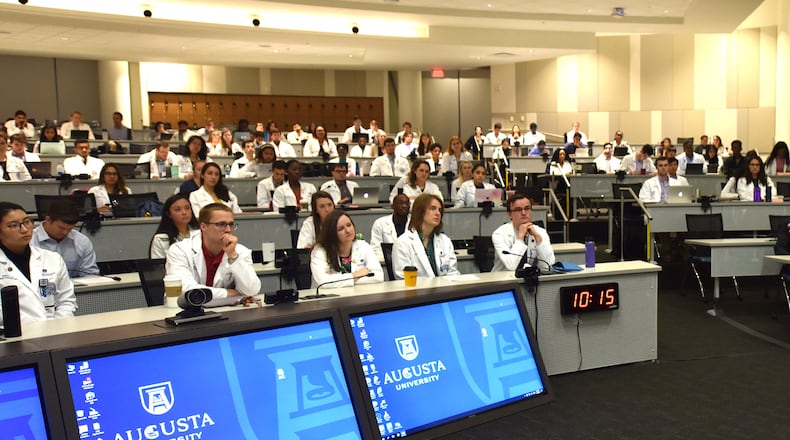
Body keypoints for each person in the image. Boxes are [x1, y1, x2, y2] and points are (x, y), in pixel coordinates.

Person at [0, 202, 76, 323]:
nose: (24, 229)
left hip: (56, 334)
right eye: (14, 225)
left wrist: (59, 328)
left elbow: (66, 301)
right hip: (11, 336)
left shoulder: (52, 259)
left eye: (26, 222)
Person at [166, 203, 260, 299]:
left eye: (231, 224)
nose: (228, 230)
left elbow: (251, 290)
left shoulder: (239, 251)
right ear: (203, 227)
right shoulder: (179, 250)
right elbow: (186, 290)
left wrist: (233, 256)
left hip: (225, 308)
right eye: (221, 224)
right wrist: (229, 294)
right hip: (185, 310)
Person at [392, 194, 459, 279]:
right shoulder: (403, 242)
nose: (438, 213)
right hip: (417, 291)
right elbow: (402, 277)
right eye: (433, 208)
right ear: (420, 211)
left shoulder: (445, 241)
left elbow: (453, 272)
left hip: (445, 290)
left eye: (439, 210)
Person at [311, 210, 384, 288]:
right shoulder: (319, 251)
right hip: (327, 297)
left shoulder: (363, 246)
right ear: (332, 233)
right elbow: (323, 283)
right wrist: (355, 275)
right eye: (341, 229)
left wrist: (339, 280)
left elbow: (378, 276)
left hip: (357, 294)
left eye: (349, 225)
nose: (348, 231)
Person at [31, 199, 99, 278]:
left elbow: (90, 274)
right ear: (48, 220)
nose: (65, 232)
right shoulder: (30, 240)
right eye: (61, 228)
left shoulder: (82, 241)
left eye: (70, 228)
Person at [491, 194, 555, 272]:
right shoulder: (499, 234)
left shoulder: (540, 232)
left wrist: (538, 240)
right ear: (509, 214)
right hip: (503, 280)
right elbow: (511, 266)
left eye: (527, 208)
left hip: (528, 279)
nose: (524, 213)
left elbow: (548, 266)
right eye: (518, 209)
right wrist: (521, 236)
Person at [149, 194, 201, 259]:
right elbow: (158, 266)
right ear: (169, 214)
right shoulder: (161, 239)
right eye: (178, 209)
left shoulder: (201, 233)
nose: (184, 212)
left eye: (187, 208)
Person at [370, 193, 410, 260]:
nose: (404, 206)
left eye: (407, 203)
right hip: (387, 263)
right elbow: (376, 248)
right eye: (400, 203)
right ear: (392, 206)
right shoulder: (380, 223)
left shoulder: (415, 224)